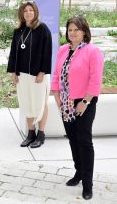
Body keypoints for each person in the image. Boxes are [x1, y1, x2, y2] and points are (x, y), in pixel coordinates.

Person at [51, 16, 103, 200]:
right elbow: (57, 74)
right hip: (65, 102)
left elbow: (96, 80)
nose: (72, 33)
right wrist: (57, 96)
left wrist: (85, 102)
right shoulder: (63, 49)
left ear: (84, 31)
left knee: (84, 140)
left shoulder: (93, 51)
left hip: (84, 102)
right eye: (70, 30)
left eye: (76, 30)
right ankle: (78, 172)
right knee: (73, 138)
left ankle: (87, 184)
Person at [7, 1, 52, 148]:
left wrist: (42, 72)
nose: (28, 13)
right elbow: (13, 52)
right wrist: (13, 71)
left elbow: (47, 52)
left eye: (31, 10)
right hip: (23, 74)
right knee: (27, 103)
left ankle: (41, 134)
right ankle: (31, 133)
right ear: (21, 13)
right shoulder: (18, 30)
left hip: (38, 74)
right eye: (25, 10)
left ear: (35, 12)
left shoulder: (42, 29)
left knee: (41, 103)